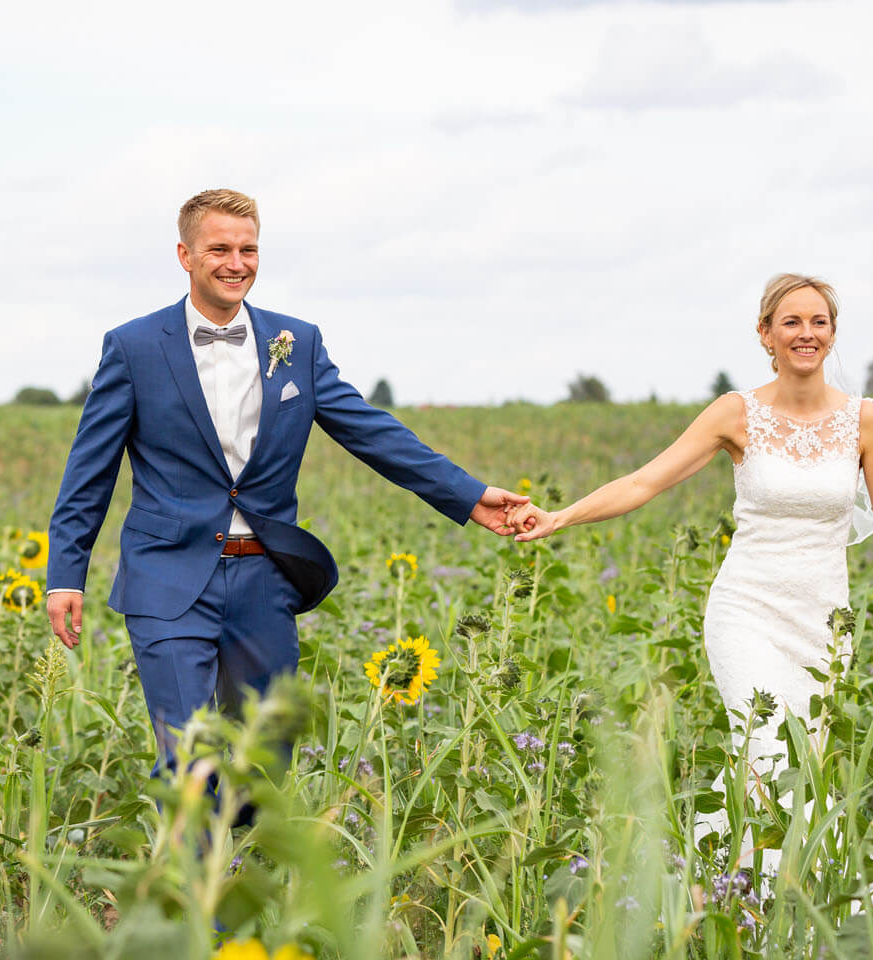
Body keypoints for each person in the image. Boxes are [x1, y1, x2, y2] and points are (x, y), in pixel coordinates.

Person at [45, 188, 532, 807]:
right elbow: (90, 467)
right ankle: (201, 900)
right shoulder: (134, 347)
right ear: (185, 255)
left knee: (263, 767)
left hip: (263, 579)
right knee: (190, 762)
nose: (236, 263)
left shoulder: (296, 343)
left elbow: (369, 430)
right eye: (219, 248)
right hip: (167, 578)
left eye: (248, 249)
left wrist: (468, 495)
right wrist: (67, 573)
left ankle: (234, 873)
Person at [508, 272, 873, 876]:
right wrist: (560, 517)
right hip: (747, 611)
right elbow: (644, 481)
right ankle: (746, 905)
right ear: (766, 334)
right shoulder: (738, 413)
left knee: (801, 770)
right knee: (765, 751)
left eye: (819, 322)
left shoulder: (865, 421)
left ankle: (757, 906)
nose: (806, 334)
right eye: (791, 322)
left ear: (834, 334)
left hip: (823, 627)